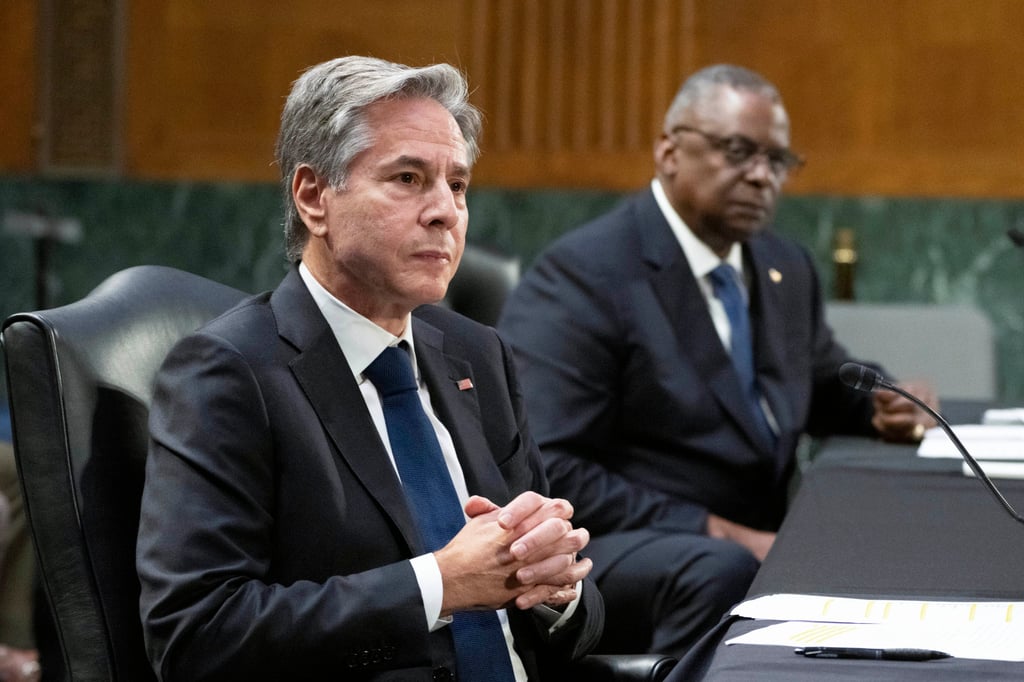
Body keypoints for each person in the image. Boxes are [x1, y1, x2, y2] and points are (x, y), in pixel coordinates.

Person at [136, 55, 602, 681]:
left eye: (457, 185)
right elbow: (196, 637)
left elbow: (572, 607)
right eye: (408, 178)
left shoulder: (478, 355)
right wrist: (438, 584)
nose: (446, 212)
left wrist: (557, 589)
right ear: (313, 198)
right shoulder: (229, 374)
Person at [496, 64, 937, 659]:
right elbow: (551, 466)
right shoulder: (586, 275)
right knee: (720, 566)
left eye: (778, 161)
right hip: (621, 547)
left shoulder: (783, 265)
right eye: (738, 151)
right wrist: (716, 530)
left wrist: (882, 405)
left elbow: (817, 375)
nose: (762, 176)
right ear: (669, 151)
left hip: (760, 537)